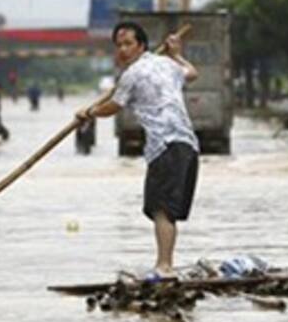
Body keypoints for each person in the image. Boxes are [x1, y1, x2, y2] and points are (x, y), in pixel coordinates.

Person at [76, 21, 200, 278]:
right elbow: (192, 72)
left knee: (161, 209)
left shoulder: (131, 75)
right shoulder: (167, 64)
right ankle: (166, 264)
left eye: (128, 44)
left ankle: (164, 266)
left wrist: (88, 113)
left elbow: (113, 107)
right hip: (187, 145)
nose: (122, 50)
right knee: (165, 210)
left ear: (141, 45)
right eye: (119, 45)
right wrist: (176, 54)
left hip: (165, 145)